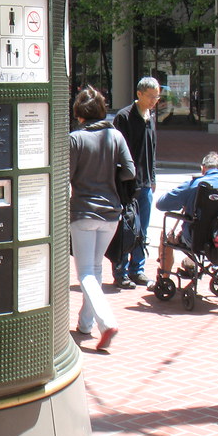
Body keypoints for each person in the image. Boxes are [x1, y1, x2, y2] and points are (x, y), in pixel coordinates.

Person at [69, 85, 135, 351]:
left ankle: (106, 323)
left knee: (85, 272)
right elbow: (129, 171)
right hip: (112, 213)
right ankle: (85, 324)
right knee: (95, 268)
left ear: (79, 113)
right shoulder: (116, 136)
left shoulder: (75, 139)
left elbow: (66, 174)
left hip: (83, 210)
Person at [110, 76, 160, 289]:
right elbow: (117, 152)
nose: (154, 101)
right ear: (139, 94)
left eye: (157, 97)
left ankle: (137, 270)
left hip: (146, 184)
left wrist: (153, 175)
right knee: (126, 227)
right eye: (151, 96)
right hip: (128, 185)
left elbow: (153, 149)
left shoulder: (151, 116)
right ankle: (120, 271)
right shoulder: (124, 117)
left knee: (143, 230)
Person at [154, 152, 218, 276]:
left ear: (203, 169)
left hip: (197, 240)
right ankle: (191, 264)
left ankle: (164, 276)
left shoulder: (194, 184)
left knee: (167, 236)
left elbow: (161, 204)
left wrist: (186, 202)